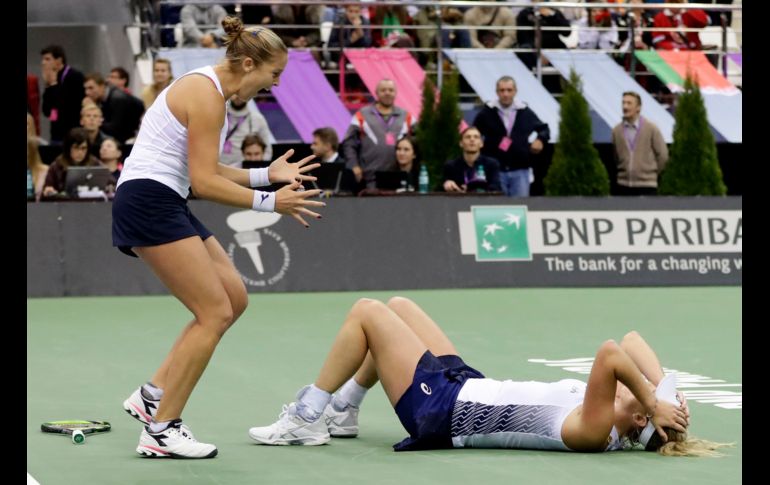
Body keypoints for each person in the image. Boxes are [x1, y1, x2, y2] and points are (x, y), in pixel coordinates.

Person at [114, 17, 325, 460]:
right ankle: (162, 428)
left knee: (234, 298)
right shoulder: (206, 95)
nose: (274, 85)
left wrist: (268, 175)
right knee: (212, 312)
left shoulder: (215, 98)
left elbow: (203, 169)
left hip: (166, 198)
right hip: (149, 200)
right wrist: (271, 203)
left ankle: (153, 394)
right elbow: (206, 182)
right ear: (249, 63)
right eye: (273, 75)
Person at [248, 297, 729, 457]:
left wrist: (652, 395)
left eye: (642, 396)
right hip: (466, 384)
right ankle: (346, 410)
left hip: (442, 414)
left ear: (640, 415)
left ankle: (309, 414)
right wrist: (665, 392)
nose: (635, 384)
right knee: (399, 309)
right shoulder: (630, 409)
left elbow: (613, 352)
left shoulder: (597, 429)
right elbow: (634, 337)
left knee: (368, 314)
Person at [472, 76, 550, 197]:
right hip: (495, 171)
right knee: (497, 209)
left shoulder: (524, 111)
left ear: (515, 91)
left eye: (509, 90)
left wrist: (540, 139)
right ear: (497, 92)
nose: (506, 94)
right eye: (502, 90)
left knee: (520, 209)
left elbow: (544, 128)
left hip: (520, 171)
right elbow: (474, 132)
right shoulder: (487, 111)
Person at [341, 79, 414, 190]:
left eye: (391, 90)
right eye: (383, 90)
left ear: (395, 93)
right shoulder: (362, 115)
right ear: (376, 93)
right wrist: (353, 165)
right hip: (370, 178)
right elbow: (348, 143)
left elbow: (418, 142)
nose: (387, 93)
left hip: (399, 176)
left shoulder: (407, 117)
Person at [612, 91, 668, 195]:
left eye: (629, 103)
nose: (625, 106)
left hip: (646, 186)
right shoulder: (616, 130)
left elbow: (663, 156)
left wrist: (651, 174)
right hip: (623, 185)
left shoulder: (651, 128)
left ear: (638, 108)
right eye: (623, 103)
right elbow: (616, 157)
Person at [42, 127, 110, 197]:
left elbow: (111, 182)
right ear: (68, 148)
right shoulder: (57, 166)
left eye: (83, 148)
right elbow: (46, 190)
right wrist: (48, 191)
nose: (80, 152)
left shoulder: (95, 163)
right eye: (76, 148)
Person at [40, 45, 86, 144]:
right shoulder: (51, 79)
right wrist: (49, 86)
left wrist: (53, 85)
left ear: (59, 60)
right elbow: (47, 111)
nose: (43, 62)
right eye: (43, 59)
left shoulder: (75, 77)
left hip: (73, 133)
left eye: (47, 59)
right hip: (56, 134)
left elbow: (67, 106)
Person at [443, 126, 501, 193]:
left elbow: (495, 188)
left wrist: (471, 190)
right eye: (468, 137)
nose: (472, 140)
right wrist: (447, 184)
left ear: (481, 144)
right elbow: (440, 190)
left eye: (476, 137)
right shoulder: (451, 166)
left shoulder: (491, 164)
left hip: (483, 202)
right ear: (461, 143)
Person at [220, 95, 274, 167]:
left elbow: (267, 151)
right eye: (235, 93)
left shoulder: (257, 119)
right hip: (220, 169)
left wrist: (257, 168)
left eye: (241, 92)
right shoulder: (219, 117)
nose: (238, 97)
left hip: (245, 171)